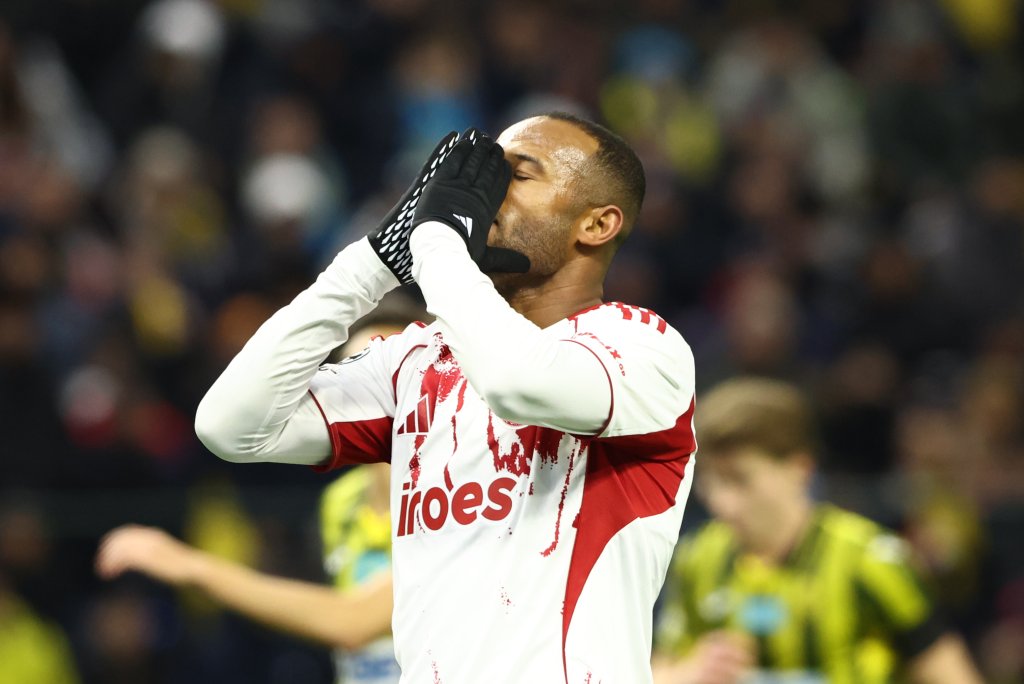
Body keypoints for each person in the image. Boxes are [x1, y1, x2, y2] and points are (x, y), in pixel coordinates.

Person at [193, 113, 697, 682]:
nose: (483, 193)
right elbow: (230, 426)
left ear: (597, 224)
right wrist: (371, 265)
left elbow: (516, 382)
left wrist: (437, 241)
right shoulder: (419, 360)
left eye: (518, 175)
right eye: (483, 173)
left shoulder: (642, 349)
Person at [95, 304, 423, 684]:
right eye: (360, 374)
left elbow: (353, 621)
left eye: (394, 376)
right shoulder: (341, 500)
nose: (378, 395)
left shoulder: (456, 493)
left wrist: (191, 566)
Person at [651, 377, 984, 684]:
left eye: (740, 479)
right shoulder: (697, 558)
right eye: (711, 480)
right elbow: (657, 670)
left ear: (800, 469)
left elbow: (954, 676)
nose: (722, 502)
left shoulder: (871, 561)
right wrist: (685, 674)